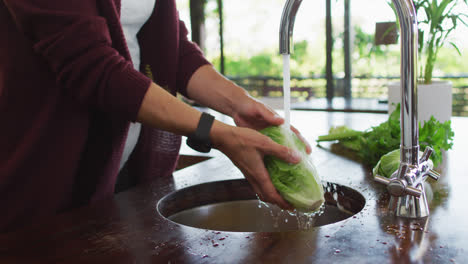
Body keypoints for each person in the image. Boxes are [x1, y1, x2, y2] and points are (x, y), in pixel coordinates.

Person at [0, 0, 311, 232]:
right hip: (43, 179)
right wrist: (215, 132)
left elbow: (172, 48)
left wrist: (239, 104)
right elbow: (92, 64)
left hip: (123, 175)